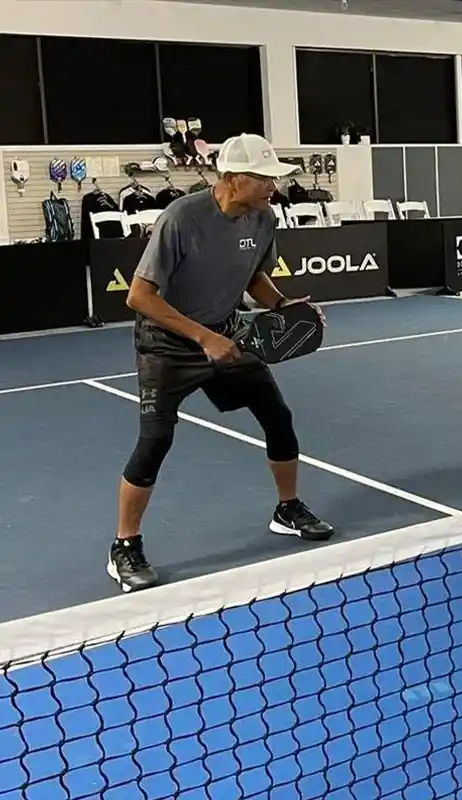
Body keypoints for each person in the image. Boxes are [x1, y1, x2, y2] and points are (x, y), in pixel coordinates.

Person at [108, 132, 335, 593]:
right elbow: (139, 296)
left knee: (278, 417)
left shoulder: (264, 218)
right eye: (263, 178)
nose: (273, 185)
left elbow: (254, 277)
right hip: (167, 344)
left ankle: (287, 509)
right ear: (231, 178)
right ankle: (125, 546)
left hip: (227, 336)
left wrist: (284, 307)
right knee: (155, 442)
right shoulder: (181, 218)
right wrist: (203, 337)